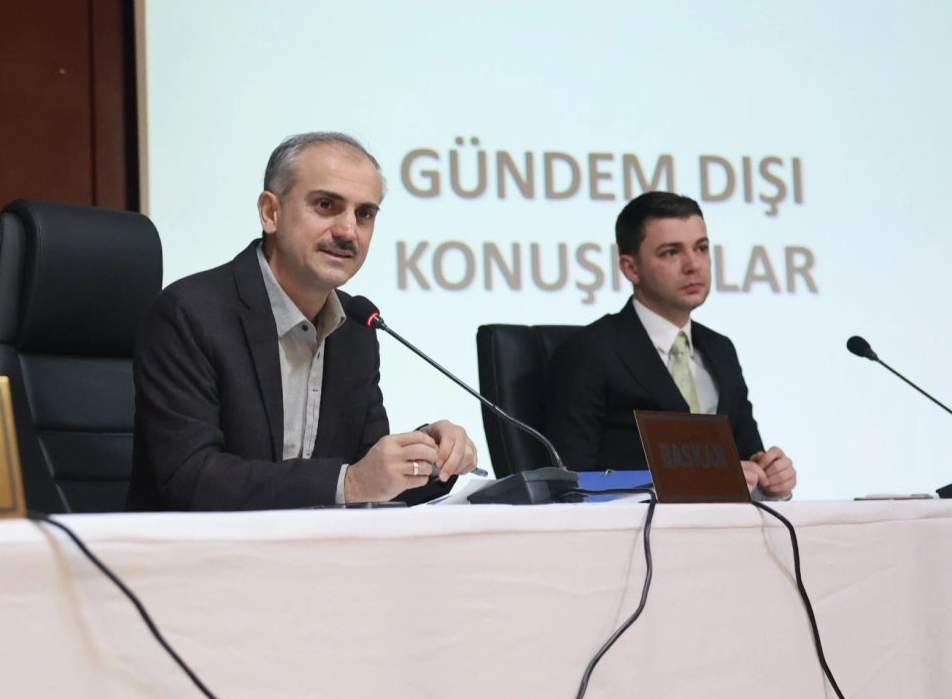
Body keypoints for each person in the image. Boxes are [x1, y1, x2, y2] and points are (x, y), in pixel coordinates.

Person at [128, 132, 478, 510]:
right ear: (270, 212)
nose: (348, 231)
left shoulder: (356, 327)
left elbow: (366, 473)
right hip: (200, 547)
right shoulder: (191, 313)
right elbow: (190, 476)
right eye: (326, 205)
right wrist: (350, 482)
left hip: (316, 547)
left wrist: (429, 457)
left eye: (364, 214)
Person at [543, 192, 796, 499]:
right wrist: (693, 481)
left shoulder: (721, 350)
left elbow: (749, 458)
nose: (693, 265)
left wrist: (772, 478)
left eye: (701, 248)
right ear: (631, 269)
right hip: (636, 526)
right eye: (671, 253)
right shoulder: (590, 351)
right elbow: (571, 480)